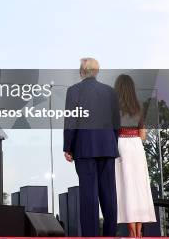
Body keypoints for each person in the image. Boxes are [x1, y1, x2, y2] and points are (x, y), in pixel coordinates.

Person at [64, 58, 120, 237]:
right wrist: (112, 143)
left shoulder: (73, 91)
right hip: (107, 146)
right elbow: (116, 123)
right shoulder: (110, 92)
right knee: (109, 194)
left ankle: (91, 236)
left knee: (88, 196)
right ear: (97, 71)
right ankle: (110, 234)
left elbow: (71, 121)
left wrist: (68, 146)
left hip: (84, 148)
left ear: (82, 71)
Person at [114, 74, 156, 237]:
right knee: (139, 188)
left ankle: (132, 233)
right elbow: (143, 135)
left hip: (121, 145)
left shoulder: (114, 107)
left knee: (127, 188)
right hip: (137, 146)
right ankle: (138, 232)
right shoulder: (139, 106)